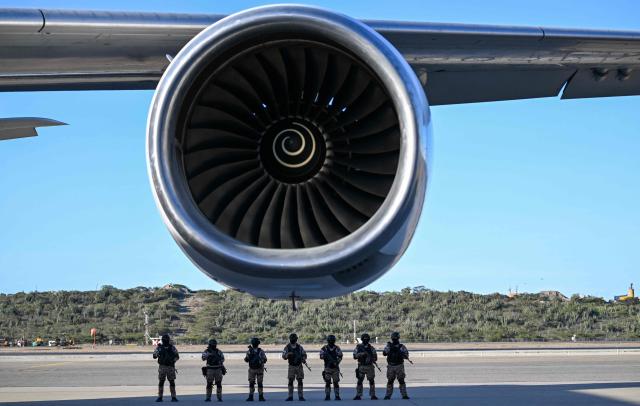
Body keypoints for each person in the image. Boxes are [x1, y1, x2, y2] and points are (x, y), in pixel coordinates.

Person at [382, 332, 410, 400]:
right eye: (394, 338)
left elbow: (406, 356)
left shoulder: (401, 347)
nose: (394, 339)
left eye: (395, 338)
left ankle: (404, 395)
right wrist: (391, 348)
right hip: (391, 365)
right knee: (390, 380)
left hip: (399, 365)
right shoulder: (389, 346)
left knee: (401, 380)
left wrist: (400, 353)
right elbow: (384, 353)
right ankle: (388, 395)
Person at [152, 334, 179, 402]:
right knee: (163, 382)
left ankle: (172, 397)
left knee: (170, 382)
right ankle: (162, 397)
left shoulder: (171, 347)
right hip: (164, 366)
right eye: (165, 339)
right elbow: (154, 356)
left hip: (168, 367)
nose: (166, 341)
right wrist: (157, 354)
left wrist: (173, 361)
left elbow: (177, 356)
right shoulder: (160, 348)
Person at [282, 333, 307, 401]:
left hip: (299, 366)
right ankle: (290, 396)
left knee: (300, 381)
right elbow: (283, 356)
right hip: (291, 366)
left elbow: (304, 355)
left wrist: (303, 359)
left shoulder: (299, 347)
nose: (292, 340)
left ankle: (300, 396)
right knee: (290, 381)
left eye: (293, 339)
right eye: (292, 339)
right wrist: (288, 354)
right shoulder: (287, 347)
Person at [353, 333, 378, 400]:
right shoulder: (358, 347)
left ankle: (373, 395)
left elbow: (375, 357)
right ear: (362, 339)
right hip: (361, 366)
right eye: (364, 339)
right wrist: (361, 354)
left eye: (367, 339)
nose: (365, 340)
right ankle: (358, 395)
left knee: (371, 381)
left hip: (369, 366)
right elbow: (355, 356)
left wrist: (370, 358)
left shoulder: (371, 348)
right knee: (360, 381)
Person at [319, 334, 343, 401]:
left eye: (332, 340)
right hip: (327, 367)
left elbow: (340, 356)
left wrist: (336, 362)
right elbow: (321, 356)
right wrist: (325, 356)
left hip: (335, 368)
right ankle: (327, 396)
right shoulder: (324, 348)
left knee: (336, 382)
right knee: (327, 382)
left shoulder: (337, 348)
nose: (331, 341)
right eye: (330, 340)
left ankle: (337, 396)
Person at [244, 337, 267, 402]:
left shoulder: (250, 351)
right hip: (256, 369)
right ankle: (260, 397)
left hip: (254, 369)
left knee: (253, 383)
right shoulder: (259, 351)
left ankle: (252, 396)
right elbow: (265, 359)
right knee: (258, 383)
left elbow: (246, 359)